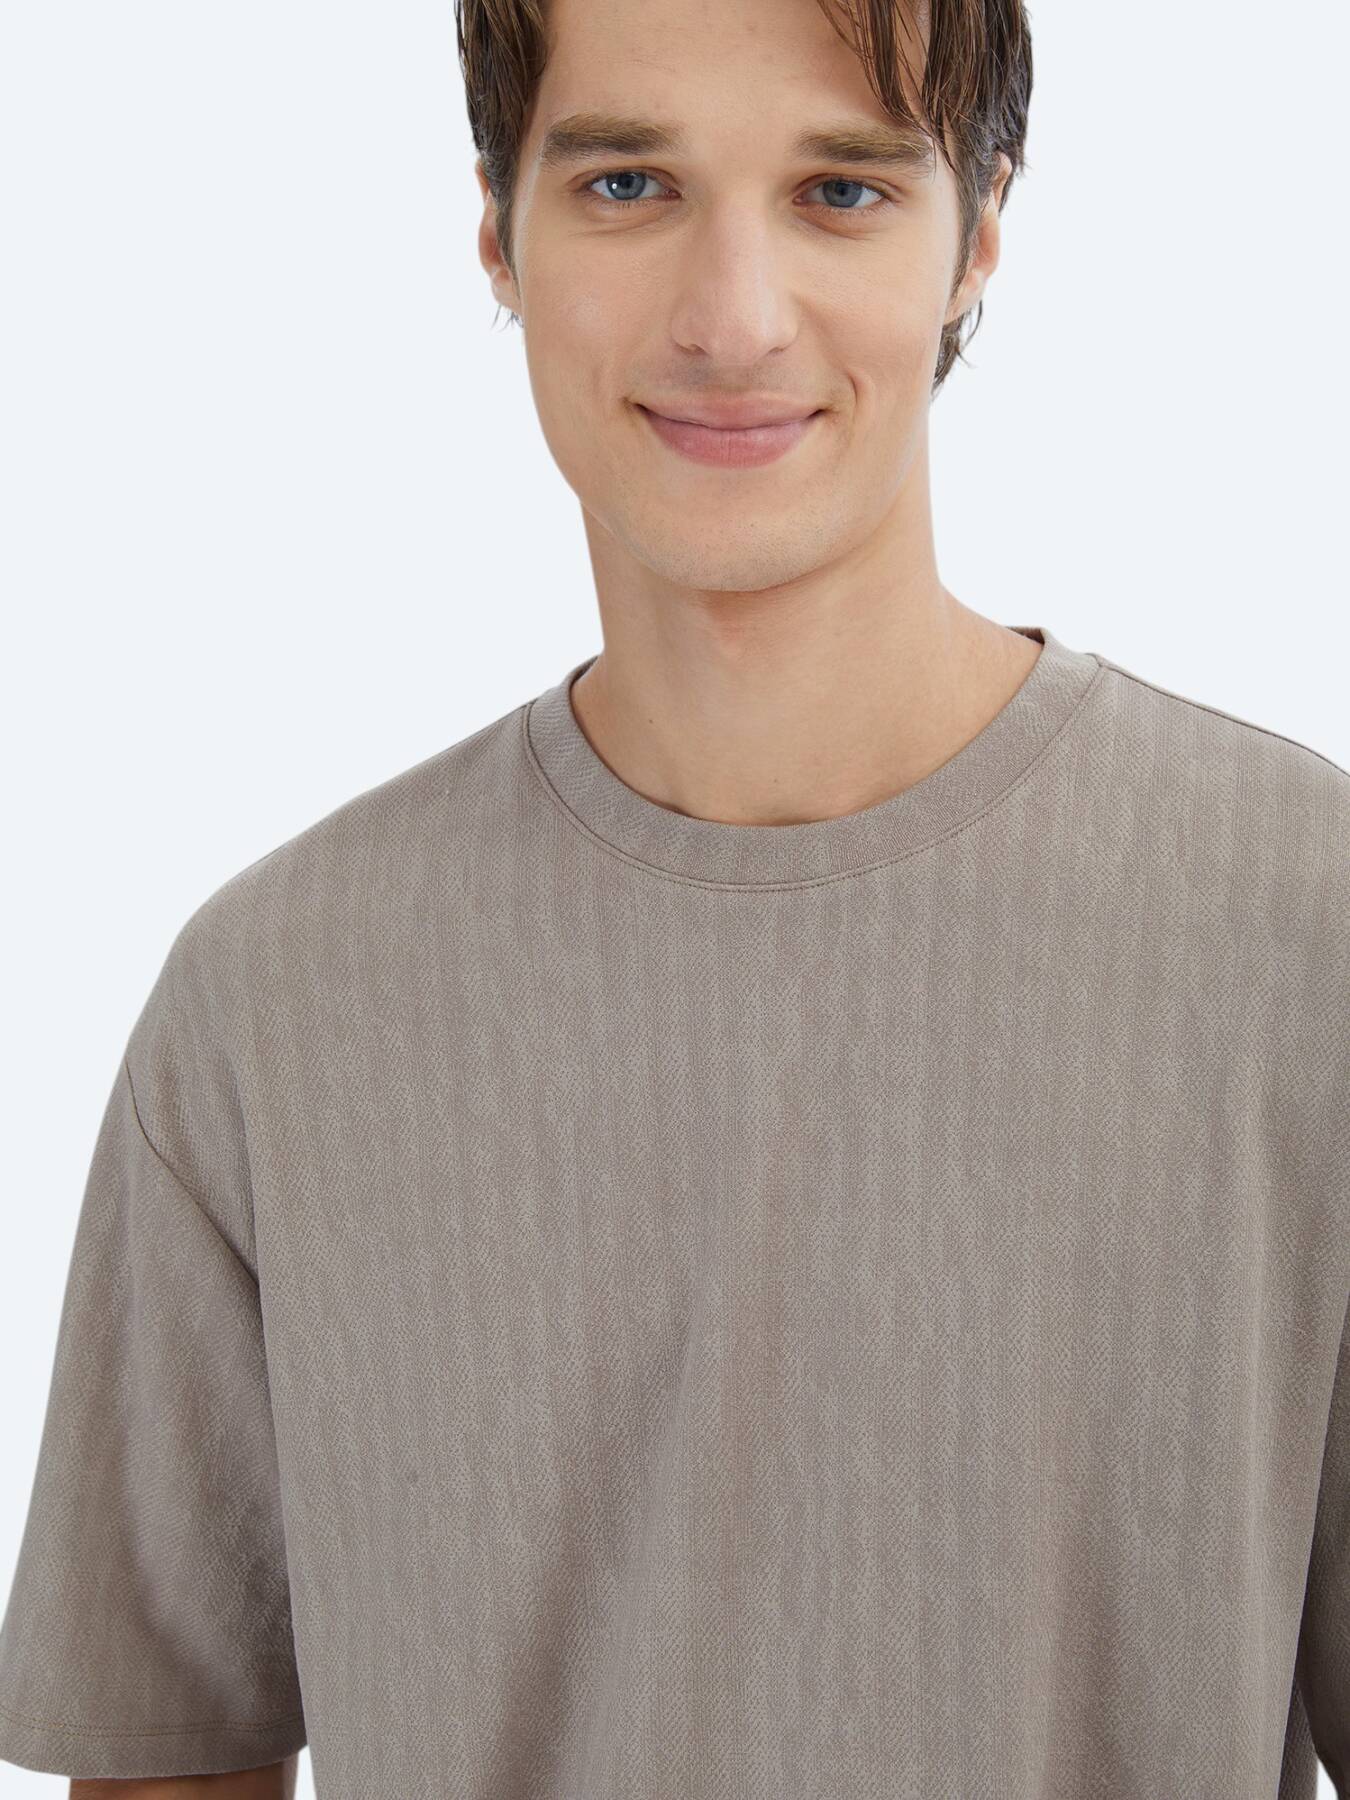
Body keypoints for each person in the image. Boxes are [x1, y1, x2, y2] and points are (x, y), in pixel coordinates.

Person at [1, 0, 1346, 1793]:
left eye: (841, 191)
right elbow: (166, 1763)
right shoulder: (274, 1005)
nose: (733, 319)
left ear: (980, 235)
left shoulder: (1300, 932)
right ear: (498, 231)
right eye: (628, 183)